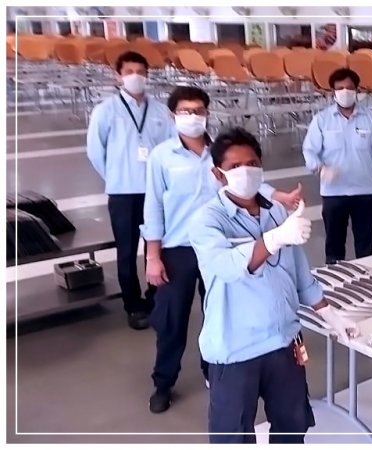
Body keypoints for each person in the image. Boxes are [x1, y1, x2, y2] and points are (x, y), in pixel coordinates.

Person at [189, 128, 355, 443]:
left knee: (293, 425)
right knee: (233, 436)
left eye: (251, 163)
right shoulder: (207, 220)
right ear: (218, 173)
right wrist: (275, 238)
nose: (245, 171)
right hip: (236, 349)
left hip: (283, 341)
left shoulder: (276, 211)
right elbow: (224, 267)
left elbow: (299, 273)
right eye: (235, 166)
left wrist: (330, 314)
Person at [142, 86, 302, 414]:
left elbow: (244, 180)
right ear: (172, 116)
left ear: (207, 113)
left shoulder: (220, 153)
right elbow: (153, 207)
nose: (193, 117)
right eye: (186, 111)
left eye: (199, 110)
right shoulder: (162, 157)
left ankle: (212, 370)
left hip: (226, 246)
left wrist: (278, 196)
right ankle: (163, 381)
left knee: (219, 314)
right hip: (180, 248)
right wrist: (153, 256)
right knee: (173, 319)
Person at [86, 51, 175, 330]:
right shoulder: (106, 110)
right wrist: (114, 177)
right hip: (123, 193)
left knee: (160, 247)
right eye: (129, 71)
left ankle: (155, 296)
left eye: (140, 71)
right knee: (126, 251)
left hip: (155, 192)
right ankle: (133, 305)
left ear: (147, 75)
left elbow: (172, 148)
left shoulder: (160, 111)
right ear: (118, 76)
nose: (135, 76)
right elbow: (94, 151)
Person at [302, 68, 372, 264]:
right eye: (340, 88)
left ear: (357, 90)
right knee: (334, 246)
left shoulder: (371, 119)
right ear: (333, 92)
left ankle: (367, 281)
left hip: (365, 191)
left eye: (349, 88)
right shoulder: (322, 120)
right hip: (334, 193)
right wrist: (320, 168)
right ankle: (335, 282)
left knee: (366, 244)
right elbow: (309, 150)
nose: (345, 92)